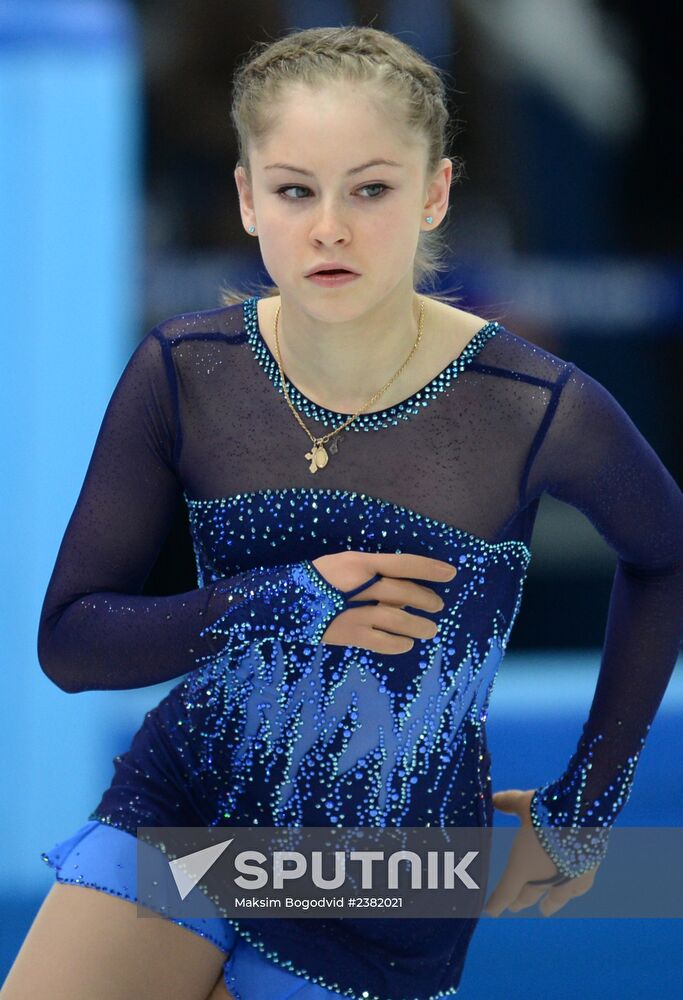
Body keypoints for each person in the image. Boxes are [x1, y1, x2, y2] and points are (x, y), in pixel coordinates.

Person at [4, 24, 682, 1000]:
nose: (329, 227)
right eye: (294, 189)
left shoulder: (532, 405)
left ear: (434, 193)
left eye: (369, 188)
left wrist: (584, 804)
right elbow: (70, 641)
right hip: (187, 806)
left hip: (381, 879)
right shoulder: (183, 370)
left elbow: (663, 554)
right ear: (246, 198)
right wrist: (286, 598)